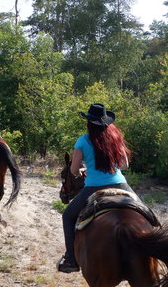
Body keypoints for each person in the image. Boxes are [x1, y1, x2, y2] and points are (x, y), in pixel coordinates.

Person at [57, 103, 136, 273]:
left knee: (68, 217)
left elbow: (73, 170)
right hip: (121, 184)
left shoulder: (83, 141)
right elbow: (125, 164)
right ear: (106, 122)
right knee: (146, 212)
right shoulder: (115, 137)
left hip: (93, 187)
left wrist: (83, 171)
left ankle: (71, 260)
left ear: (89, 122)